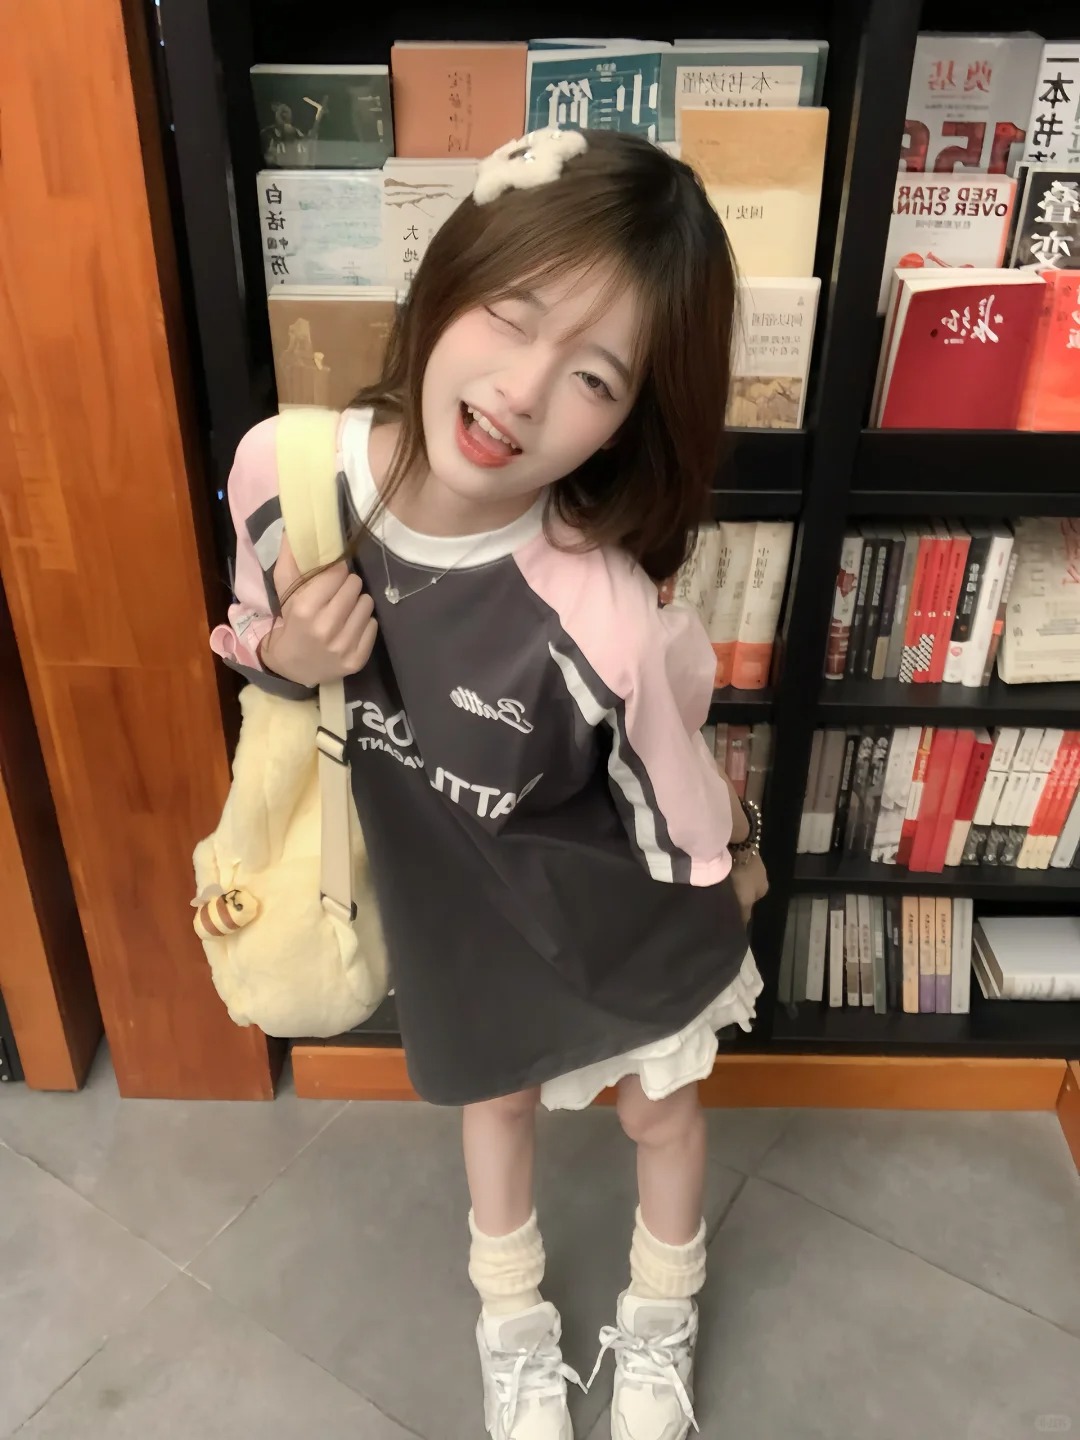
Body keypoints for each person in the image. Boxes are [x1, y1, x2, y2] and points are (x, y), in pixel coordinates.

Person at [211, 126, 769, 1440]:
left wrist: (726, 869)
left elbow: (671, 794)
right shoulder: (288, 474)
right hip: (456, 908)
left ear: (629, 419)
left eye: (593, 376)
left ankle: (663, 1314)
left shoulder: (600, 606)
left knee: (663, 1108)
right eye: (512, 314)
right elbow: (253, 641)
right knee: (493, 1097)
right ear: (447, 276)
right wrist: (291, 654)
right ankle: (511, 1325)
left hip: (607, 904)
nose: (522, 391)